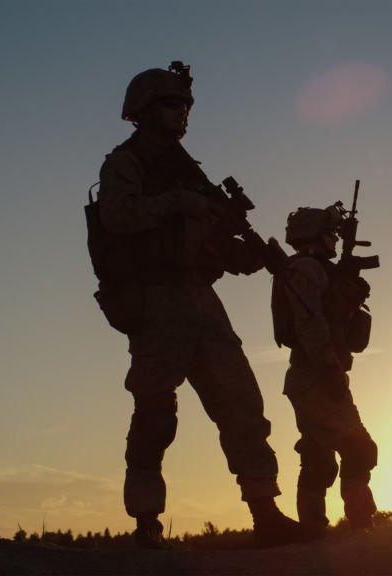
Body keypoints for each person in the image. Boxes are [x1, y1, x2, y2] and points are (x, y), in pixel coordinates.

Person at [90, 62, 301, 548]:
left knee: (242, 402)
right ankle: (146, 521)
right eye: (170, 105)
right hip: (157, 299)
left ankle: (265, 511)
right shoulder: (126, 162)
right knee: (155, 412)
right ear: (143, 111)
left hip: (202, 298)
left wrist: (246, 255)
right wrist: (180, 203)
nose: (180, 113)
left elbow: (215, 241)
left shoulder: (187, 167)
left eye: (183, 105)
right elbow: (117, 216)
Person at [271, 206, 378, 539]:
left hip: (314, 373)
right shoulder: (304, 268)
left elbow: (333, 322)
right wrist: (330, 367)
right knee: (359, 448)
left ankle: (313, 526)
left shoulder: (318, 270)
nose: (335, 238)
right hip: (316, 373)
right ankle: (360, 524)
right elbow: (310, 323)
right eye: (331, 232)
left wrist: (346, 293)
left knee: (318, 456)